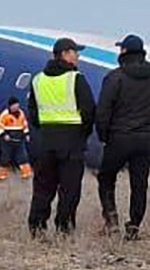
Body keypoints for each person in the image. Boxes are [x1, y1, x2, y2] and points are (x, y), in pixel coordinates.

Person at [95, 34, 150, 241]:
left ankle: (111, 220)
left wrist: (103, 135)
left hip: (119, 137)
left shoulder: (115, 77)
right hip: (144, 138)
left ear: (124, 51)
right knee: (139, 183)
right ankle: (134, 226)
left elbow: (103, 110)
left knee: (106, 178)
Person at [27, 37, 96, 237]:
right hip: (71, 141)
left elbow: (32, 111)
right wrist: (83, 134)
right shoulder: (76, 78)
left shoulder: (38, 80)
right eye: (75, 52)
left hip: (45, 140)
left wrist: (43, 128)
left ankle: (37, 227)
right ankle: (64, 228)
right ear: (65, 54)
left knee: (42, 187)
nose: (78, 56)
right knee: (70, 188)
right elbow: (89, 110)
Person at [0, 96, 32, 181]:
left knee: (23, 157)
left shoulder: (21, 113)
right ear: (10, 106)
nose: (16, 107)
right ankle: (2, 175)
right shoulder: (5, 114)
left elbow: (24, 124)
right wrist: (4, 135)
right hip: (8, 140)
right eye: (14, 106)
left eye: (17, 105)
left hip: (19, 139)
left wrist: (26, 134)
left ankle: (26, 173)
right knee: (5, 157)